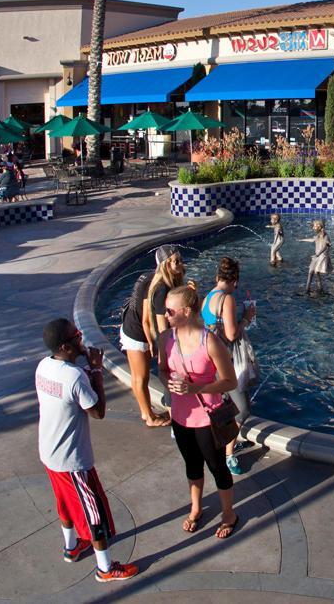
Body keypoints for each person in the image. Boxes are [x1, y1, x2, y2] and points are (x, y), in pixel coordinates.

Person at [34, 318, 140, 582]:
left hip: (49, 451)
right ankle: (105, 568)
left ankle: (71, 547)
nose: (81, 340)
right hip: (72, 460)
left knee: (65, 504)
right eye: (76, 337)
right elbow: (98, 411)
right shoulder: (73, 376)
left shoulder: (44, 366)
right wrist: (95, 371)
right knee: (95, 513)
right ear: (65, 347)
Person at [158, 284, 242, 540]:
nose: (166, 315)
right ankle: (196, 507)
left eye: (170, 311)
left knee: (217, 467)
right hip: (180, 417)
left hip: (207, 418)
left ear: (186, 311)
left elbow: (230, 382)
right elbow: (162, 370)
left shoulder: (210, 341)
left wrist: (197, 387)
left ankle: (229, 513)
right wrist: (169, 385)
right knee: (191, 465)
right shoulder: (165, 338)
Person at [201, 257, 258, 475]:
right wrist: (247, 318)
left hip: (211, 360)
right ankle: (229, 454)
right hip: (226, 362)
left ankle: (224, 444)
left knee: (224, 406)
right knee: (243, 409)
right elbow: (232, 334)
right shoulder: (227, 299)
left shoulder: (209, 296)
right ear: (234, 280)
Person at [120, 246, 177, 428]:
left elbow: (145, 315)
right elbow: (153, 323)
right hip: (134, 333)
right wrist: (154, 344)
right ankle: (148, 416)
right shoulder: (161, 288)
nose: (181, 264)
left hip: (134, 326)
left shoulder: (149, 277)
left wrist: (150, 341)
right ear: (166, 264)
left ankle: (148, 412)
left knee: (140, 376)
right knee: (140, 377)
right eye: (176, 261)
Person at [302, 218, 331, 295]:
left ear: (319, 227)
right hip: (316, 256)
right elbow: (313, 240)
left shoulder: (323, 234)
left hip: (321, 256)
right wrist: (302, 240)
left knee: (314, 271)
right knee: (312, 271)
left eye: (314, 226)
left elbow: (325, 246)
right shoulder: (319, 235)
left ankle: (309, 290)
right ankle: (315, 288)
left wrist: (318, 254)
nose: (313, 228)